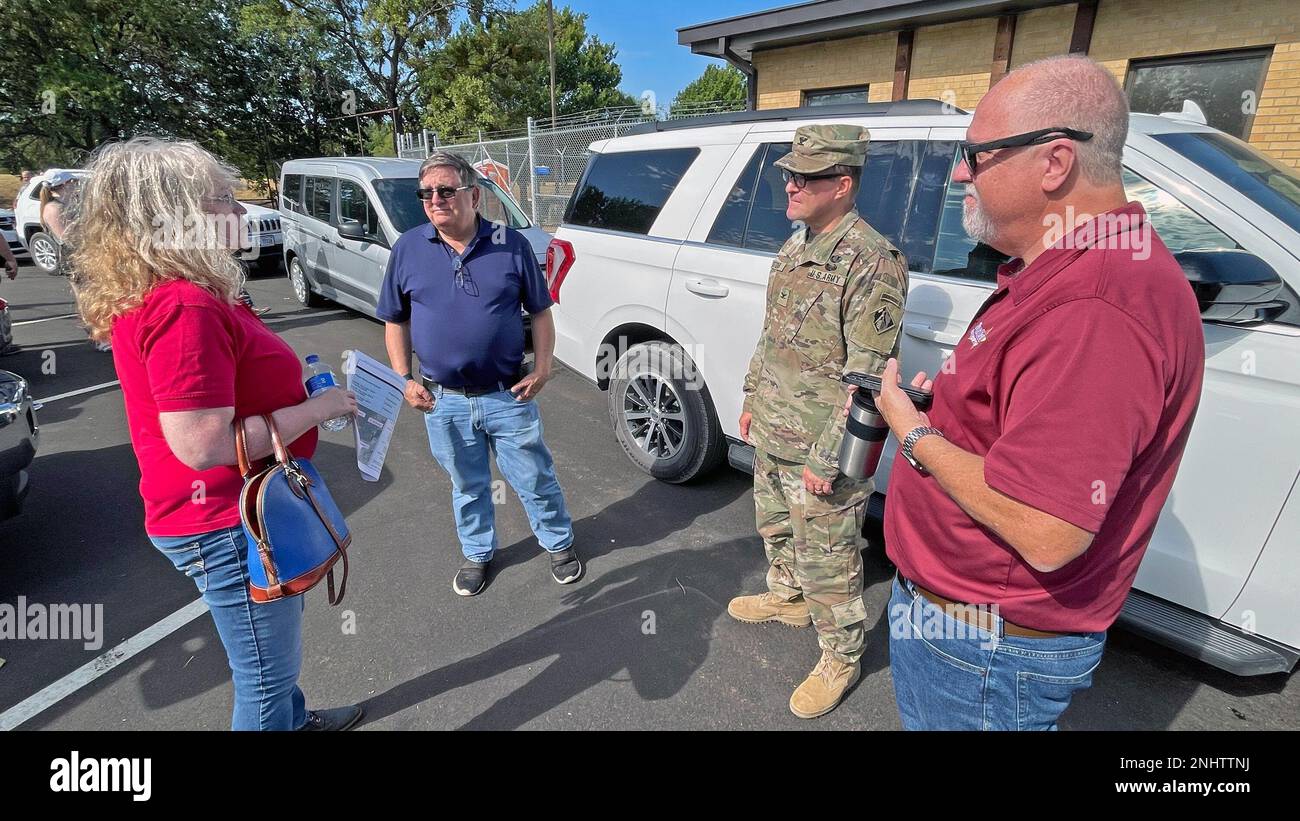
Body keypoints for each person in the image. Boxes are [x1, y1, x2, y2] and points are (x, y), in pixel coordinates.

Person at [871, 54, 1205, 730]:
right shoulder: (1066, 271)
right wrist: (955, 416)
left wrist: (913, 429)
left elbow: (1046, 529)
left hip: (982, 641)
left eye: (977, 155)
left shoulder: (1095, 304)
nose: (961, 172)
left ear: (1054, 162)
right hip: (973, 625)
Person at [69, 135, 364, 731]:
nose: (240, 211)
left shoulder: (174, 292)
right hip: (227, 521)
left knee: (269, 658)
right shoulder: (185, 306)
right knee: (264, 678)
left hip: (226, 514)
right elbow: (203, 446)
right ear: (179, 217)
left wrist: (292, 392)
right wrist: (318, 408)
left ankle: (296, 721)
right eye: (223, 200)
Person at [728, 125, 908, 719]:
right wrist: (753, 394)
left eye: (804, 176)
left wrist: (827, 458)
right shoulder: (796, 244)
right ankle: (788, 598)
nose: (790, 184)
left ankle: (840, 652)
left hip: (821, 447)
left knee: (830, 555)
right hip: (776, 429)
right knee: (775, 527)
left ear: (843, 183)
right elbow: (772, 334)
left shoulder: (871, 262)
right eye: (789, 174)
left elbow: (866, 379)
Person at [378, 152, 578, 597]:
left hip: (508, 395)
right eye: (427, 193)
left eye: (446, 190)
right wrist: (402, 378)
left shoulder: (511, 244)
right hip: (442, 400)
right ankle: (478, 553)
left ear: (473, 195)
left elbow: (540, 311)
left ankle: (558, 543)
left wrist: (543, 368)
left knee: (534, 477)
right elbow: (396, 319)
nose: (435, 200)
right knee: (467, 486)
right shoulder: (408, 248)